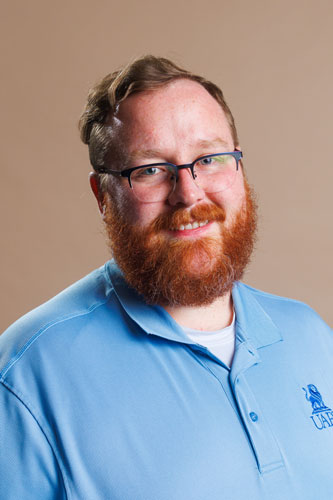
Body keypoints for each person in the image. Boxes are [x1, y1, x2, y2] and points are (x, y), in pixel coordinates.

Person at [0, 55, 332, 500]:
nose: (189, 193)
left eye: (210, 158)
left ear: (239, 166)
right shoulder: (27, 376)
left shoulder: (310, 336)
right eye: (151, 169)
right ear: (104, 196)